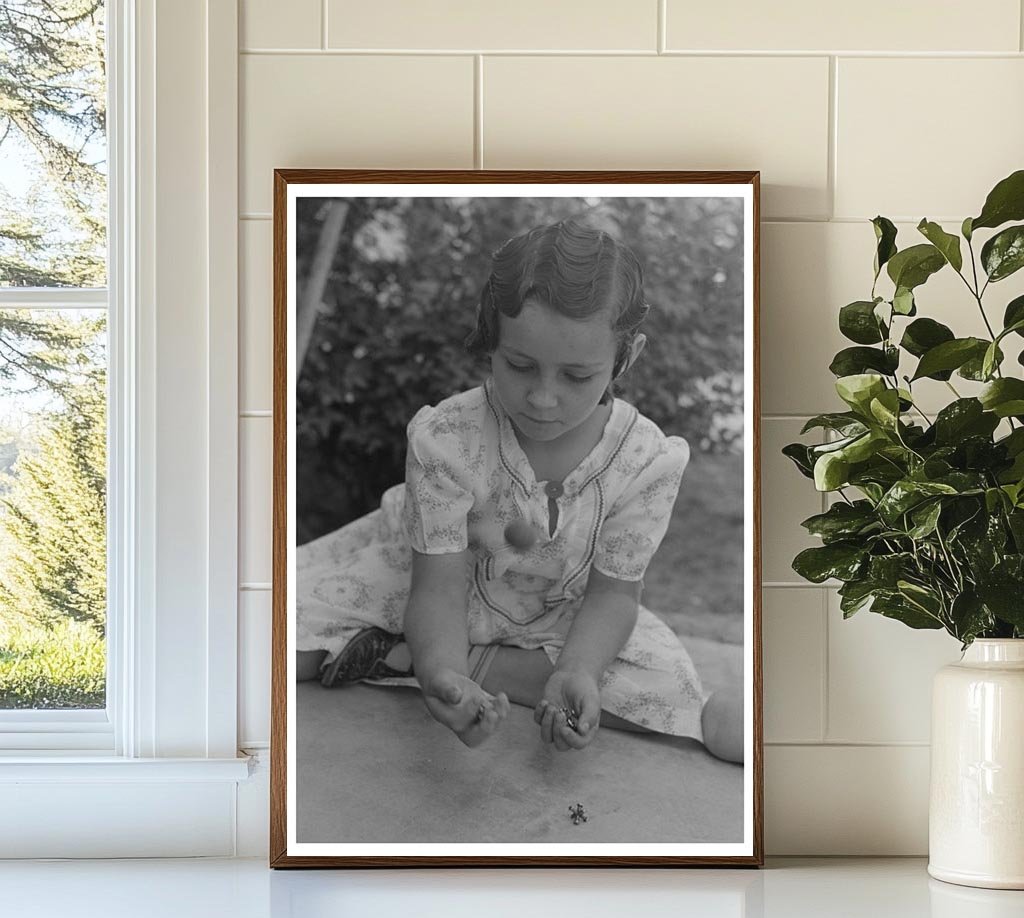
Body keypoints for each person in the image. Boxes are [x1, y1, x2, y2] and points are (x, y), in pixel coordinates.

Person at [295, 219, 743, 763]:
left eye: (577, 376)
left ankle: (399, 658)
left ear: (627, 356)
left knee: (666, 689)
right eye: (520, 365)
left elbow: (613, 595)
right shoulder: (449, 439)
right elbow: (436, 588)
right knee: (276, 639)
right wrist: (446, 676)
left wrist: (579, 669)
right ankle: (430, 659)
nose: (543, 398)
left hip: (560, 611)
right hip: (431, 581)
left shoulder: (646, 460)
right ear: (492, 339)